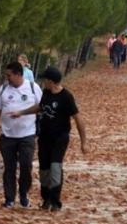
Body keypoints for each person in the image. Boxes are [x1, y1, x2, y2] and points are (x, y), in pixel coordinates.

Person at [8, 65, 87, 211]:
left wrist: (84, 142)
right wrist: (22, 112)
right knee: (44, 170)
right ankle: (46, 200)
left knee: (55, 168)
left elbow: (78, 119)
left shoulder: (66, 97)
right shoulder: (46, 93)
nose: (43, 82)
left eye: (45, 80)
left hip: (60, 138)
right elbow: (40, 107)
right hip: (44, 137)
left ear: (51, 81)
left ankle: (55, 202)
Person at [0, 61, 42, 208]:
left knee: (26, 165)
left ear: (19, 74)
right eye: (6, 75)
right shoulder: (3, 90)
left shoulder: (33, 87)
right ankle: (9, 198)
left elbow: (42, 106)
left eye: (9, 75)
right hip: (7, 135)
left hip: (27, 134)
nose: (7, 78)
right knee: (9, 167)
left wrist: (22, 113)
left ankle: (24, 193)